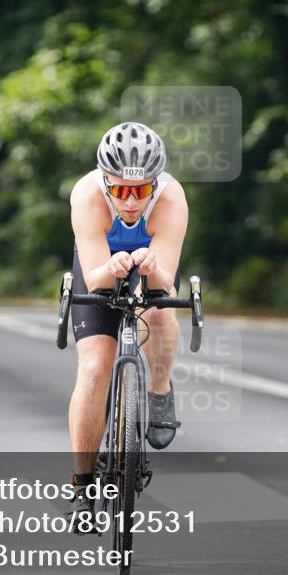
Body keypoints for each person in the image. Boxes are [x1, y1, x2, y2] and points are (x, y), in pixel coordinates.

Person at [67, 122, 188, 524]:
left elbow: (166, 283)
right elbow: (96, 276)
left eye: (141, 190)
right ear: (105, 182)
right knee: (95, 366)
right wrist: (112, 268)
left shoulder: (171, 199)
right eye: (120, 190)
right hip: (101, 264)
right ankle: (82, 485)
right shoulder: (86, 195)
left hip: (150, 264)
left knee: (158, 310)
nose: (132, 201)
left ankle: (158, 389)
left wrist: (150, 271)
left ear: (156, 184)